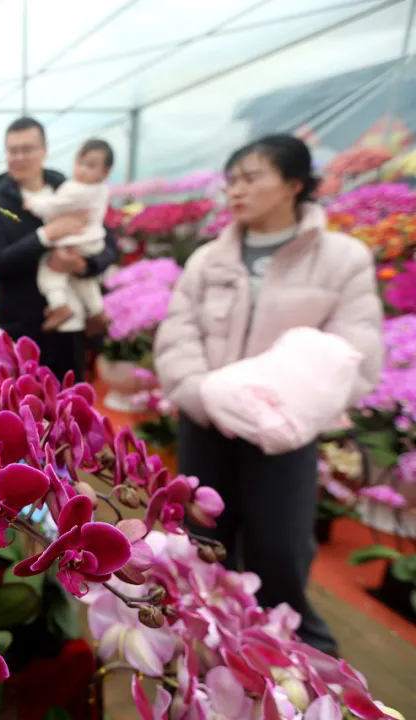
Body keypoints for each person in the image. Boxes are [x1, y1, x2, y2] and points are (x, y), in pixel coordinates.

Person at [154, 134, 383, 656]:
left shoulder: (341, 259)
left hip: (284, 434)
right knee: (202, 540)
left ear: (294, 184)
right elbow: (178, 333)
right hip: (206, 424)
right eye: (231, 180)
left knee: (279, 550)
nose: (236, 190)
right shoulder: (208, 259)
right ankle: (204, 647)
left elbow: (355, 349)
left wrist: (281, 409)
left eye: (251, 178)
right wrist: (202, 395)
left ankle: (296, 659)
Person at [0, 118, 120, 381]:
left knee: (71, 397)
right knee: (23, 400)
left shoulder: (72, 189)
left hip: (72, 328)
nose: (19, 157)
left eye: (27, 149)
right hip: (23, 329)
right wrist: (45, 236)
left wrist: (83, 265)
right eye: (12, 151)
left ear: (44, 150)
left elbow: (109, 245)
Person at [25, 138, 114, 332]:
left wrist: (32, 204)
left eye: (90, 166)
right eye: (79, 163)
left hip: (77, 241)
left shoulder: (77, 189)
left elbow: (53, 207)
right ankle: (97, 311)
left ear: (105, 172)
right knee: (84, 279)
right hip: (92, 243)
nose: (81, 170)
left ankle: (59, 306)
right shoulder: (101, 189)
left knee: (49, 271)